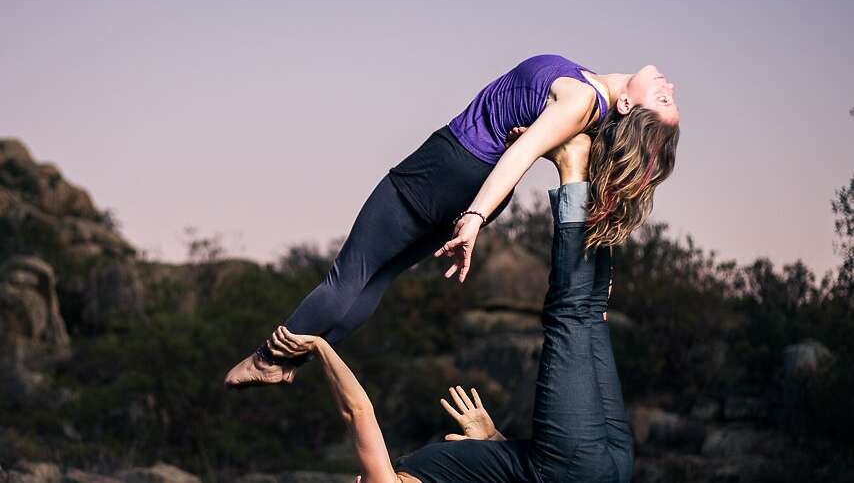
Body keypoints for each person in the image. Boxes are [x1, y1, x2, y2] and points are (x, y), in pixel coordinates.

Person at [225, 53, 679, 387]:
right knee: (377, 279)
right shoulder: (589, 105)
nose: (670, 85)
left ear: (627, 108)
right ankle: (292, 363)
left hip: (447, 172)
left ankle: (268, 358)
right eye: (668, 95)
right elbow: (531, 140)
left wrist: (475, 218)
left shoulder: (582, 100)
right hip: (466, 181)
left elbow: (521, 152)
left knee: (351, 273)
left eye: (661, 97)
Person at [264, 134, 634, 482]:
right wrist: (317, 345)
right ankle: (573, 169)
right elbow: (357, 412)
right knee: (569, 315)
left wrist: (493, 441)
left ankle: (597, 182)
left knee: (589, 315)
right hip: (568, 466)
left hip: (607, 465)